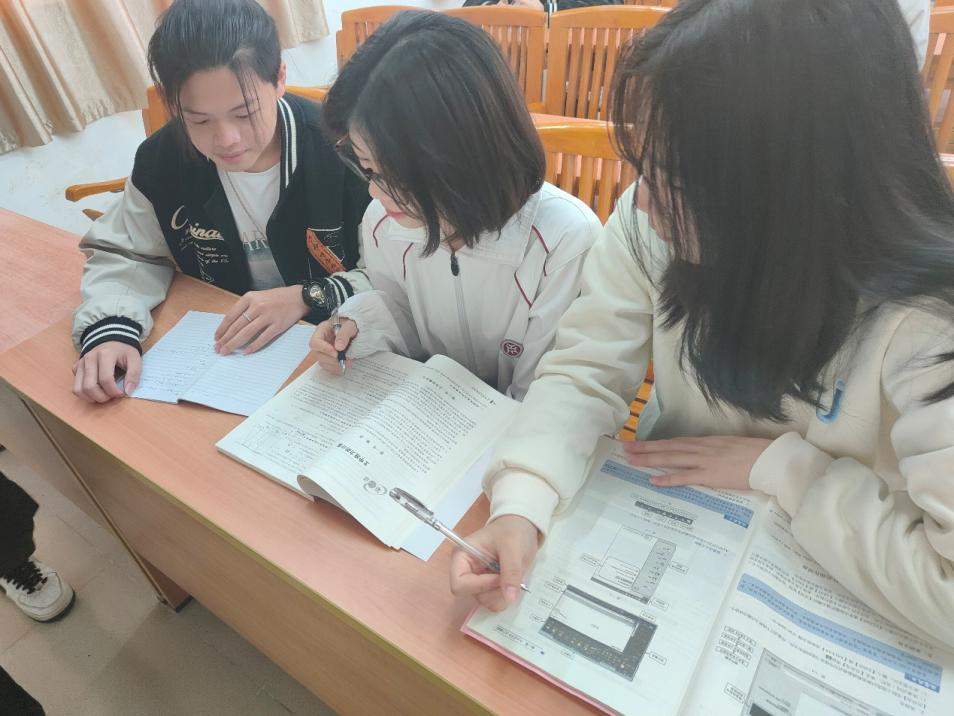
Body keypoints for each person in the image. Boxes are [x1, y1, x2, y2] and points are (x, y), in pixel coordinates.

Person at [449, 0, 954, 647]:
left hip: (838, 583)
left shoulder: (927, 322)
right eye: (646, 166)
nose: (643, 201)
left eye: (680, 182)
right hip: (676, 529)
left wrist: (785, 469)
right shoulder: (650, 223)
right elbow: (585, 371)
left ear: (802, 185)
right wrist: (523, 501)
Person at [72, 0, 370, 404]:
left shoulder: (345, 148)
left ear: (279, 79)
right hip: (229, 357)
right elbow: (128, 252)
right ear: (172, 103)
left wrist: (307, 296)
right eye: (199, 120)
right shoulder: (162, 160)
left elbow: (402, 272)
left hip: (340, 348)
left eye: (245, 113)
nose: (227, 139)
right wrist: (111, 328)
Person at [309, 11, 602, 401]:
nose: (375, 193)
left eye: (395, 175)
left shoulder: (564, 240)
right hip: (430, 413)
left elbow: (545, 397)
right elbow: (400, 309)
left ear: (464, 156)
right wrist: (358, 325)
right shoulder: (384, 221)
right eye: (368, 169)